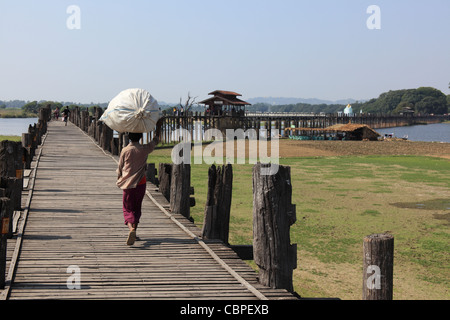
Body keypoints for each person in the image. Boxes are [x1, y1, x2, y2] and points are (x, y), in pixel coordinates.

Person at [116, 119, 163, 245]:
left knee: (127, 208)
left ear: (129, 137)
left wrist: (119, 177)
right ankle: (134, 231)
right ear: (141, 137)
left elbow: (120, 167)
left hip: (128, 183)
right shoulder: (144, 149)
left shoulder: (125, 150)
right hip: (141, 183)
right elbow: (156, 140)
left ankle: (131, 229)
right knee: (137, 208)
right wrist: (158, 126)